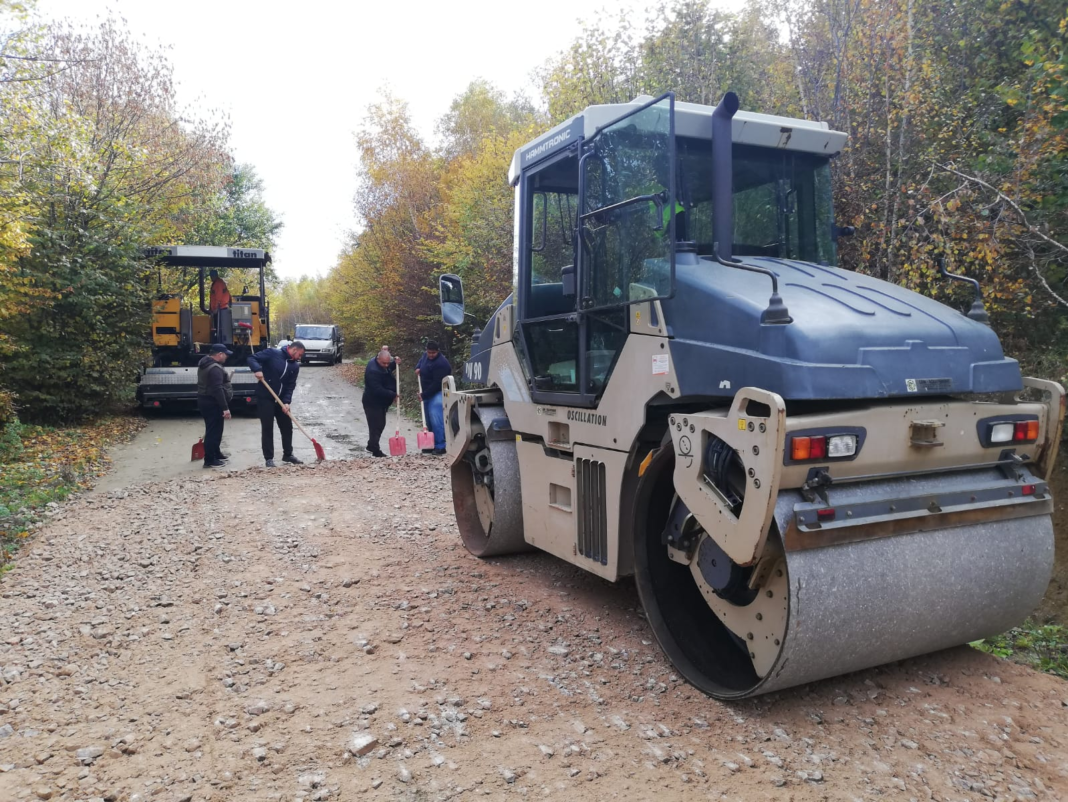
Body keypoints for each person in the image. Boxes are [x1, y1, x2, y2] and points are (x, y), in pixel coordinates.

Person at [247, 341, 306, 467]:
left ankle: (288, 455)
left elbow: (290, 386)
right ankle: (269, 458)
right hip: (265, 397)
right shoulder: (273, 353)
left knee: (287, 427)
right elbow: (252, 358)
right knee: (267, 427)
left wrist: (287, 402)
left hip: (281, 400)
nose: (300, 358)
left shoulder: (295, 366)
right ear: (294, 350)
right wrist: (257, 369)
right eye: (300, 355)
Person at [196, 344, 233, 469]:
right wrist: (225, 408)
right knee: (213, 432)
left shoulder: (205, 363)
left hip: (205, 400)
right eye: (225, 354)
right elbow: (217, 389)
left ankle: (216, 453)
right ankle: (210, 460)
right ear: (219, 354)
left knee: (216, 430)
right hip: (212, 402)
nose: (226, 357)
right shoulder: (214, 369)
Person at [415, 340, 452, 454]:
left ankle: (440, 446)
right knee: (428, 420)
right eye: (429, 352)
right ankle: (430, 444)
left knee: (436, 419)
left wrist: (424, 395)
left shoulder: (441, 364)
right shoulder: (425, 356)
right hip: (426, 391)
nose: (431, 355)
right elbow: (420, 362)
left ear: (438, 351)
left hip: (438, 392)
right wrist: (418, 367)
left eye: (433, 353)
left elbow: (437, 384)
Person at [362, 349, 399, 458]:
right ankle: (375, 450)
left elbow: (388, 368)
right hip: (372, 402)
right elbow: (377, 390)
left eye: (388, 362)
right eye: (384, 363)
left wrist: (394, 363)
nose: (386, 365)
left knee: (380, 425)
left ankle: (371, 445)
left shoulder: (380, 363)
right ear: (378, 359)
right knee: (376, 426)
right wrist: (393, 394)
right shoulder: (373, 371)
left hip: (381, 402)